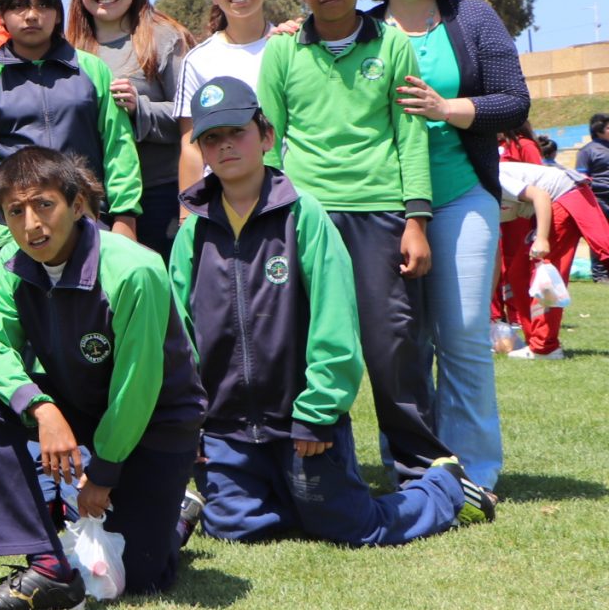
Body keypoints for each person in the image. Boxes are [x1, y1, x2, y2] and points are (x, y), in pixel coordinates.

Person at [171, 79, 489, 544]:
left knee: (353, 529)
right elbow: (178, 336)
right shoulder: (192, 233)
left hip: (301, 423)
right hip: (228, 431)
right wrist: (192, 421)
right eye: (211, 138)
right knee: (235, 531)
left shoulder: (305, 216)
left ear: (265, 136)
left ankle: (445, 487)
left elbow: (334, 320)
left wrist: (318, 411)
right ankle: (281, 497)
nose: (225, 146)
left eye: (236, 132)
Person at [0, 149, 205, 610]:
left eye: (44, 205)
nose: (31, 224)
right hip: (75, 406)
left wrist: (103, 473)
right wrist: (41, 408)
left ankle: (175, 516)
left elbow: (136, 384)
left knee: (139, 578)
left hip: (156, 422)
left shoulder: (134, 270)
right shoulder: (14, 270)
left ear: (77, 205)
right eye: (15, 212)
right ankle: (46, 563)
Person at [256, 0, 442, 489]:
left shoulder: (392, 44)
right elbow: (268, 140)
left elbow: (411, 135)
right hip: (304, 217)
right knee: (307, 344)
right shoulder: (282, 49)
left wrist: (416, 220)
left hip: (382, 213)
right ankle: (319, 469)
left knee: (393, 346)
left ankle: (418, 471)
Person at [361, 0, 530, 490]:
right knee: (401, 345)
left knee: (460, 337)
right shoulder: (357, 28)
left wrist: (447, 108)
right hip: (384, 204)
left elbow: (515, 101)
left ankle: (473, 473)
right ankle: (414, 467)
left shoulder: (473, 18)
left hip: (460, 196)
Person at [0, 0, 141, 287]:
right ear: (2, 18)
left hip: (90, 225)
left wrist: (124, 217)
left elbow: (118, 147)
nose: (31, 16)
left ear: (58, 14)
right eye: (18, 7)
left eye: (42, 5)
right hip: (12, 235)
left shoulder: (92, 71)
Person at [68, 0, 190, 263]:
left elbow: (192, 117)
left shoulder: (164, 38)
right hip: (92, 202)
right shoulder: (67, 47)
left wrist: (141, 109)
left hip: (160, 196)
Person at [177, 0, 276, 194]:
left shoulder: (291, 47)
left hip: (284, 193)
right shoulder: (198, 59)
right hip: (222, 197)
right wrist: (187, 216)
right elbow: (191, 145)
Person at [496, 157, 609, 360]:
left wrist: (541, 239)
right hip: (559, 200)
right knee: (519, 275)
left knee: (543, 277)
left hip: (564, 197)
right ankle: (536, 343)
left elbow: (540, 196)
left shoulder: (490, 177)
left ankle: (544, 347)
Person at [578, 114, 609, 283]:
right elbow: (581, 178)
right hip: (599, 199)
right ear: (598, 130)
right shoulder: (587, 151)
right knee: (601, 237)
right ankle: (600, 274)